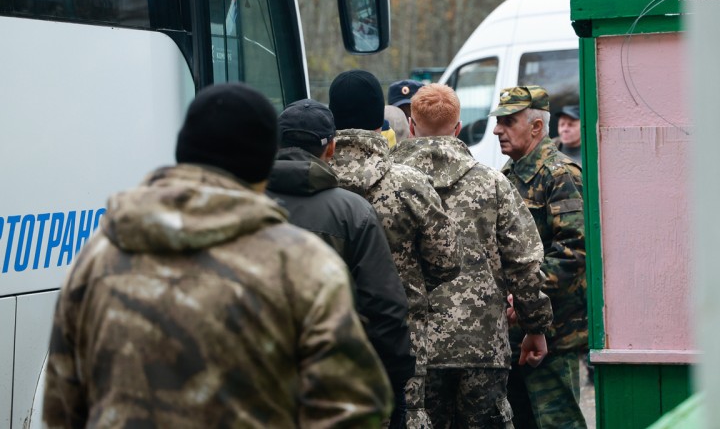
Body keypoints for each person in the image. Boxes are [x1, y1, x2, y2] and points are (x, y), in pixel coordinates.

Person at [43, 83, 393, 428]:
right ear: (263, 164)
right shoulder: (303, 265)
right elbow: (354, 407)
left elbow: (62, 403)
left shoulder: (97, 256)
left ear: (182, 151)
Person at [393, 84, 553, 428]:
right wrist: (534, 326)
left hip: (413, 348)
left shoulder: (391, 186)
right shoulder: (493, 183)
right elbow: (524, 262)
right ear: (458, 128)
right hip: (482, 347)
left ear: (410, 126)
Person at [267, 98, 415, 428]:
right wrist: (397, 373)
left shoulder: (244, 206)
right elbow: (384, 305)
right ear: (331, 147)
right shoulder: (353, 213)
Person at [328, 69, 461, 428]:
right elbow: (447, 262)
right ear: (379, 119)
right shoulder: (409, 184)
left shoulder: (314, 182)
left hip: (326, 343)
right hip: (401, 340)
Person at [490, 86, 587, 429]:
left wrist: (525, 294)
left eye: (508, 122)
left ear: (535, 127)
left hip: (555, 330)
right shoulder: (507, 175)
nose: (497, 130)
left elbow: (575, 249)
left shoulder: (560, 175)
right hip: (516, 329)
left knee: (558, 422)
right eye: (498, 121)